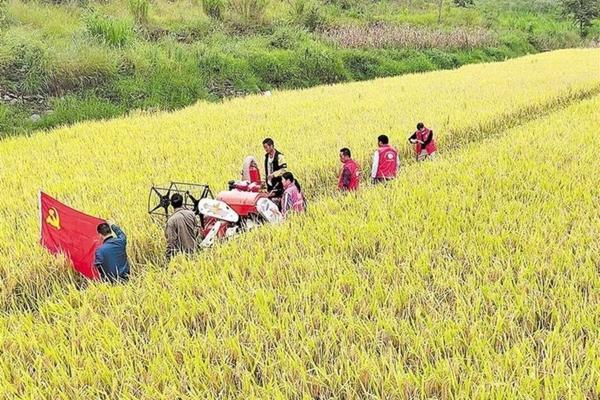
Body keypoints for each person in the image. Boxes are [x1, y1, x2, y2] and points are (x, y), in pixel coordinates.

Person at [165, 193, 199, 259]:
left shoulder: (171, 221)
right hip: (194, 252)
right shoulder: (191, 214)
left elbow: (171, 241)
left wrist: (167, 258)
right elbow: (197, 229)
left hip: (181, 257)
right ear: (182, 202)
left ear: (171, 204)